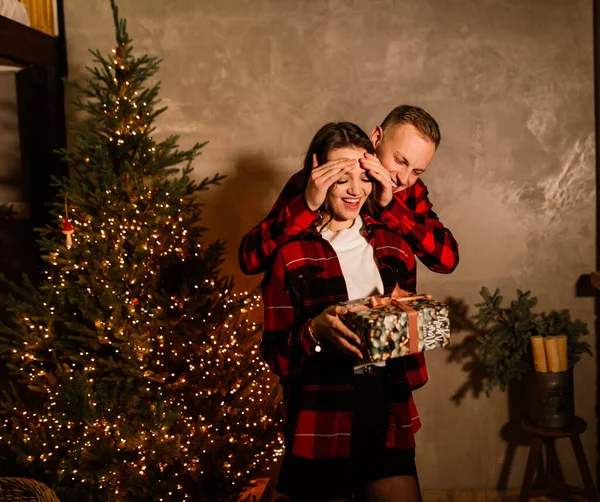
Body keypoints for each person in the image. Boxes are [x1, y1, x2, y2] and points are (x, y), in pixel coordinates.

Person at [260, 122, 424, 502]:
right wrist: (314, 331)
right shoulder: (290, 253)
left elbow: (408, 341)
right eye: (340, 177)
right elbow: (275, 356)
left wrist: (412, 316)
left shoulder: (395, 248)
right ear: (317, 173)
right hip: (321, 412)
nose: (355, 190)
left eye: (363, 176)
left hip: (384, 408)